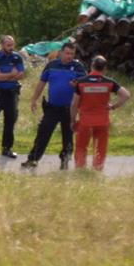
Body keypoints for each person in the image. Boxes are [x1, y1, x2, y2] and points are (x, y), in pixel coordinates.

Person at [21, 42, 85, 170]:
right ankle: (33, 159)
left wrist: (77, 85)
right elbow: (41, 83)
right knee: (43, 133)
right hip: (52, 107)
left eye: (72, 54)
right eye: (67, 53)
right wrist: (34, 99)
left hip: (69, 108)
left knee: (67, 136)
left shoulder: (78, 67)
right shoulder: (51, 65)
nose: (69, 56)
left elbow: (85, 86)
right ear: (61, 52)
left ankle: (65, 160)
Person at [71, 56, 131, 171]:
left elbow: (74, 104)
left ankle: (80, 170)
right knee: (100, 148)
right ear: (104, 69)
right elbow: (126, 95)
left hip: (85, 122)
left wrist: (73, 120)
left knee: (81, 147)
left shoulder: (81, 82)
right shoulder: (109, 82)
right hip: (102, 121)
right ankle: (97, 170)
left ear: (91, 66)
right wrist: (113, 107)